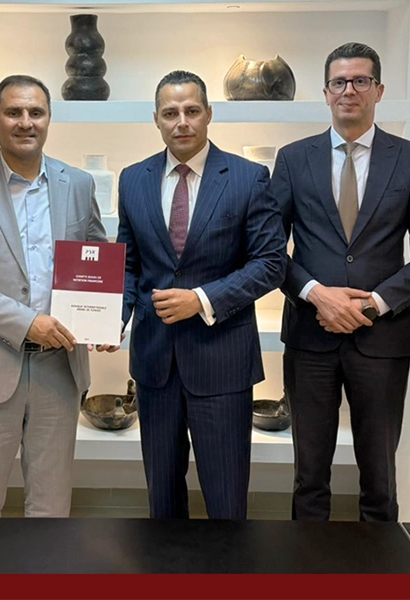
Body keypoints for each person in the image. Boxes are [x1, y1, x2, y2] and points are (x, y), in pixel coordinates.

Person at [270, 42, 410, 522]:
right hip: (310, 336)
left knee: (380, 478)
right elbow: (269, 250)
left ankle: (380, 563)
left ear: (379, 91)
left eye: (361, 81)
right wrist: (316, 295)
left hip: (382, 339)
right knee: (309, 477)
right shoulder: (293, 159)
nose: (350, 90)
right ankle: (308, 562)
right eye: (339, 82)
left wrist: (373, 304)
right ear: (326, 92)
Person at [0, 75, 110, 518]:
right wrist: (28, 323)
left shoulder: (79, 184)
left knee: (51, 510)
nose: (25, 122)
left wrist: (105, 317)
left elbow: (96, 257)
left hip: (59, 371)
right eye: (13, 112)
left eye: (36, 112)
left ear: (49, 118)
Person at [117, 70, 285, 519]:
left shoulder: (248, 177)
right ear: (156, 119)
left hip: (222, 362)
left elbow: (271, 263)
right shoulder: (132, 180)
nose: (182, 122)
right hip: (154, 364)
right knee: (163, 503)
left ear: (209, 114)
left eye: (192, 111)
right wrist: (112, 317)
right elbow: (128, 264)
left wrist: (202, 299)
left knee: (226, 503)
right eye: (170, 113)